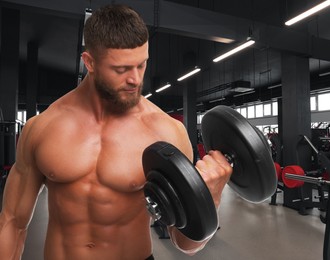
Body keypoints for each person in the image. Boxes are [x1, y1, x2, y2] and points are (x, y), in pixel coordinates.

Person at [0, 4, 232, 260]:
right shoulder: (43, 127)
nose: (135, 79)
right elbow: (12, 222)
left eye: (141, 65)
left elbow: (184, 243)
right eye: (121, 69)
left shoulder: (167, 132)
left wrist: (210, 197)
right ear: (89, 62)